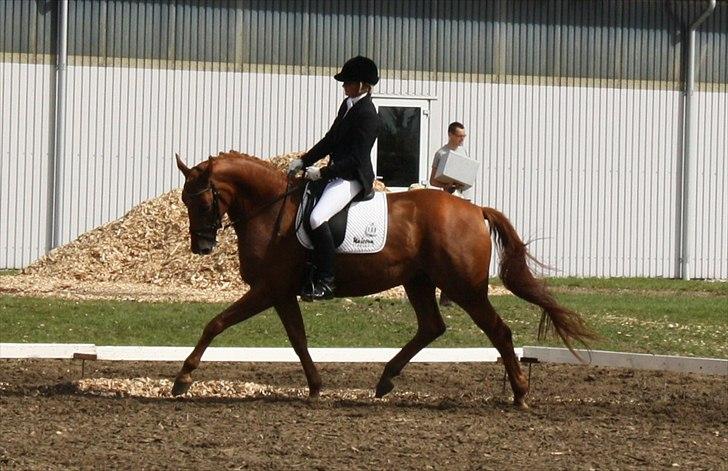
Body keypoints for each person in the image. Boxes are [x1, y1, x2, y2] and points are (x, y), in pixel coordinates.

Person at [287, 56, 382, 301]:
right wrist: (304, 160)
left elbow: (357, 158)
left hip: (352, 177)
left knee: (318, 218)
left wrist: (323, 172)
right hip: (337, 172)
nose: (344, 86)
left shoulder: (368, 115)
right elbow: (330, 140)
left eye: (348, 82)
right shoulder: (347, 106)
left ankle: (327, 281)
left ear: (362, 85)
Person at [429, 121, 470, 306]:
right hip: (447, 199)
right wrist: (446, 185)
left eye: (464, 136)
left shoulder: (463, 153)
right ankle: (444, 293)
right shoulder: (441, 153)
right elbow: (433, 180)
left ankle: (456, 291)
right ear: (450, 135)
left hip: (462, 199)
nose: (462, 139)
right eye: (459, 135)